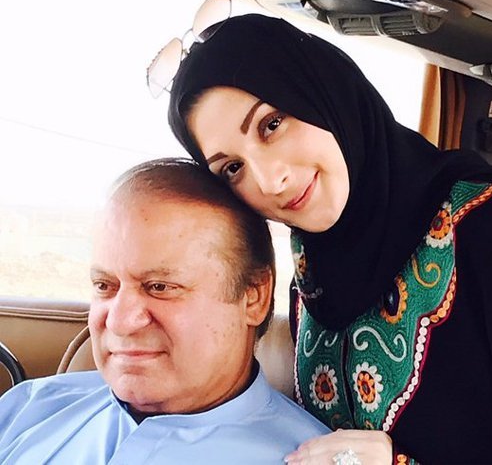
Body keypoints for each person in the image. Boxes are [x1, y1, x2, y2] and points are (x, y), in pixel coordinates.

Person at [165, 14, 492, 464]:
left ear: (326, 95)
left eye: (272, 124)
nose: (270, 181)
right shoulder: (310, 275)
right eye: (233, 169)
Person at [0, 158, 329, 464]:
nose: (119, 321)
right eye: (104, 285)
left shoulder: (311, 457)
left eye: (159, 287)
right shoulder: (28, 408)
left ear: (253, 296)